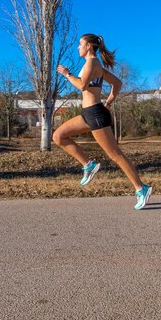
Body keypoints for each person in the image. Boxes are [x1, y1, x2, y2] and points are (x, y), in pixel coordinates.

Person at [54, 33, 152, 210]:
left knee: (115, 155)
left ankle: (141, 188)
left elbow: (83, 85)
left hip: (96, 115)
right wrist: (107, 102)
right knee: (58, 136)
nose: (78, 47)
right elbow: (117, 83)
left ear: (89, 46)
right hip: (89, 113)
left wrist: (67, 74)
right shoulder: (93, 64)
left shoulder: (92, 63)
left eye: (80, 44)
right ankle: (88, 165)